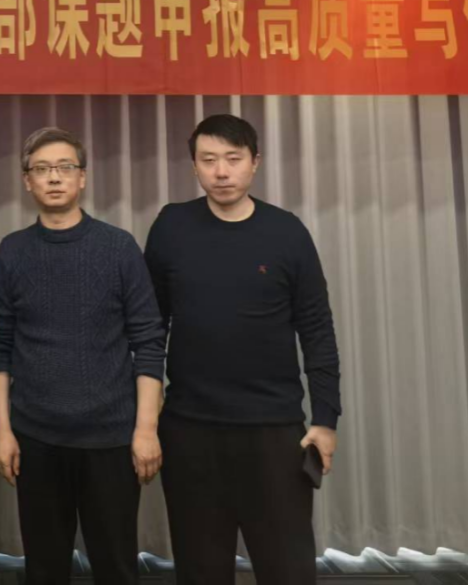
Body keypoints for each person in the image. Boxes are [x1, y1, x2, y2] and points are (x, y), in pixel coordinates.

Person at [144, 114, 342, 585]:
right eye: (208, 160)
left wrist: (325, 419)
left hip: (273, 430)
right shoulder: (172, 226)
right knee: (201, 569)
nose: (221, 171)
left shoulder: (287, 232)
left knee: (287, 569)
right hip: (190, 430)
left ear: (255, 162)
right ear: (194, 165)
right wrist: (146, 420)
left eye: (233, 159)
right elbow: (150, 328)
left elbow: (317, 330)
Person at [0, 127, 167, 585]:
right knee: (44, 569)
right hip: (36, 438)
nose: (54, 178)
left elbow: (149, 341)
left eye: (65, 167)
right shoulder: (12, 252)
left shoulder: (118, 247)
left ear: (82, 177)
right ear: (27, 180)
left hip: (111, 439)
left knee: (116, 566)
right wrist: (3, 431)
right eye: (42, 169)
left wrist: (146, 429)